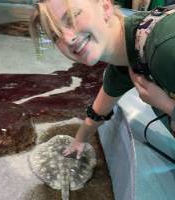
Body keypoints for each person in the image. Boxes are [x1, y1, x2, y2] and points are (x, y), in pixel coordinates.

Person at [30, 0, 175, 159]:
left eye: (72, 18)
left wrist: (166, 105)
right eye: (56, 35)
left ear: (106, 8)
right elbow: (100, 108)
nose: (67, 39)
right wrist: (80, 139)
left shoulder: (165, 48)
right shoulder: (128, 54)